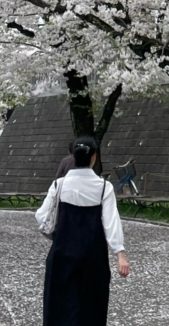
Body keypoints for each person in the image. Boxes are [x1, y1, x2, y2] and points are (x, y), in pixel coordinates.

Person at [36, 135, 130, 326]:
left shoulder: (58, 185)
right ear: (94, 158)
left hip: (62, 252)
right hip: (93, 256)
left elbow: (42, 216)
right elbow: (111, 222)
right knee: (92, 307)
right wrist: (120, 254)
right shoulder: (104, 187)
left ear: (73, 157)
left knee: (59, 306)